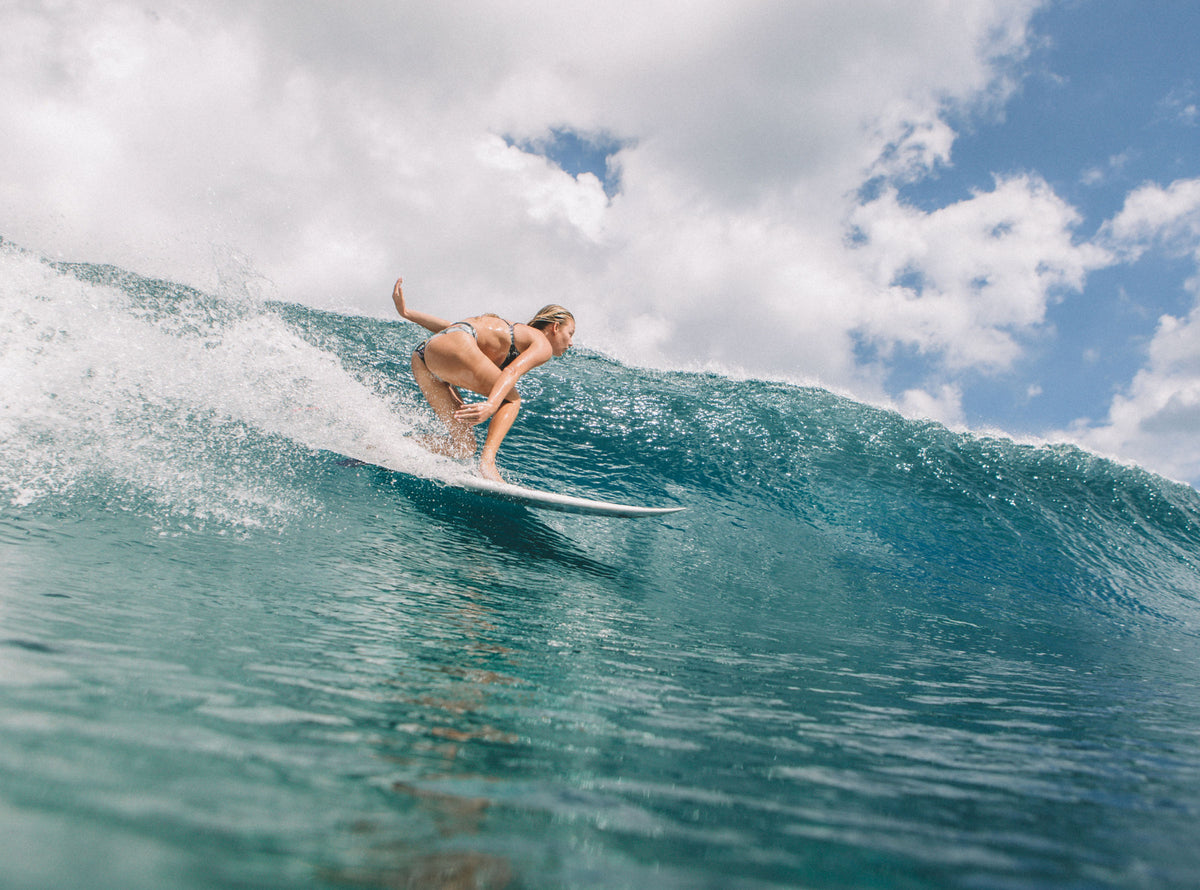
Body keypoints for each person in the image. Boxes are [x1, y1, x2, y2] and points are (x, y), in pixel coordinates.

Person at [392, 277, 575, 482]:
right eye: (570, 333)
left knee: (464, 447)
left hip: (424, 356)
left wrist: (407, 313)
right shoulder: (542, 344)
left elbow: (449, 329)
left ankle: (393, 445)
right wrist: (491, 404)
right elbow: (512, 371)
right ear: (555, 328)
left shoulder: (510, 331)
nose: (571, 343)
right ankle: (488, 465)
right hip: (452, 346)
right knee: (511, 399)